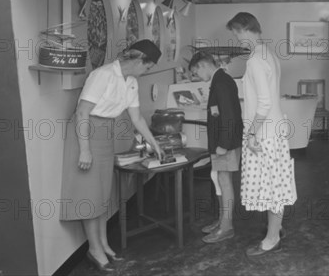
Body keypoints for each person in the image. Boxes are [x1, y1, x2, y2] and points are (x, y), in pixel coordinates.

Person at [60, 39, 164, 272]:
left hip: (105, 132)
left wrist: (154, 143)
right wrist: (85, 149)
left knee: (102, 192)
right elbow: (83, 112)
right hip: (85, 133)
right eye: (147, 67)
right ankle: (94, 249)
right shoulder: (103, 75)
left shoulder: (132, 83)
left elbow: (136, 119)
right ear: (139, 60)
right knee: (90, 192)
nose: (147, 72)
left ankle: (103, 243)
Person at [226, 12, 296, 256]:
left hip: (264, 132)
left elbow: (264, 103)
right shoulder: (268, 53)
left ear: (245, 29)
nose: (236, 38)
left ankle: (272, 237)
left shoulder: (256, 59)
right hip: (273, 129)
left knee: (272, 187)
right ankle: (275, 227)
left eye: (236, 33)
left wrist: (251, 134)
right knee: (275, 182)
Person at [188, 51, 243, 244]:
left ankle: (227, 227)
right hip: (222, 142)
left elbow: (229, 116)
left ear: (203, 66)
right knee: (219, 179)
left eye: (196, 73)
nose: (197, 78)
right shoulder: (220, 80)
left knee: (224, 180)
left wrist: (223, 145)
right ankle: (222, 221)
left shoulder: (221, 82)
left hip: (225, 143)